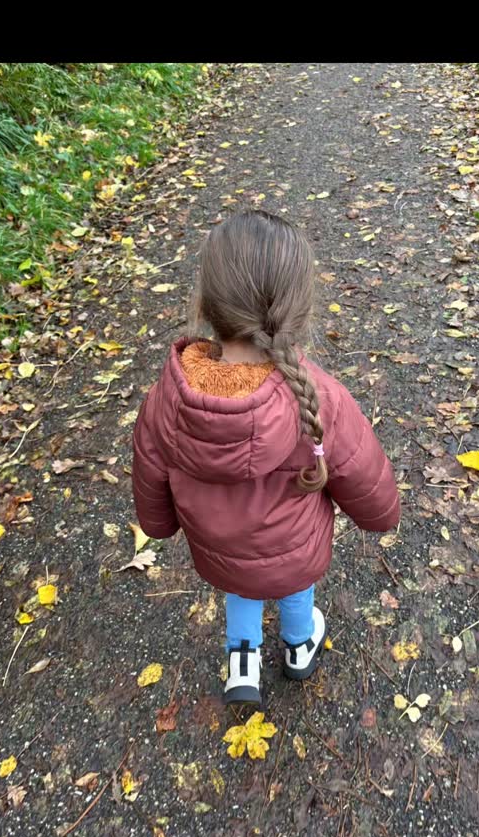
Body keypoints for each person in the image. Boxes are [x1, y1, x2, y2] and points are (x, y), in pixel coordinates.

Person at [132, 211, 400, 706]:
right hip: (295, 549)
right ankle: (299, 647)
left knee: (243, 587)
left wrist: (158, 524)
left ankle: (243, 662)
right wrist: (381, 516)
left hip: (219, 551)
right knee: (295, 586)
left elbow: (150, 477)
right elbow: (363, 474)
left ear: (207, 304)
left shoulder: (167, 398)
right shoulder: (319, 397)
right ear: (299, 308)